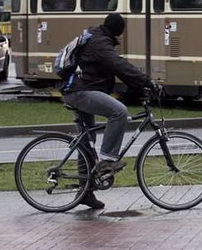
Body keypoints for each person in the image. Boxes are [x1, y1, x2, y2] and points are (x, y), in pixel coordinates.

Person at [61, 13, 160, 210]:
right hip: (81, 92)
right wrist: (147, 82)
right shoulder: (100, 43)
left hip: (79, 90)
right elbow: (119, 65)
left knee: (86, 142)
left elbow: (116, 69)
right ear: (117, 31)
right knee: (119, 112)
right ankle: (107, 161)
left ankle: (85, 193)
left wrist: (137, 86)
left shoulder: (97, 37)